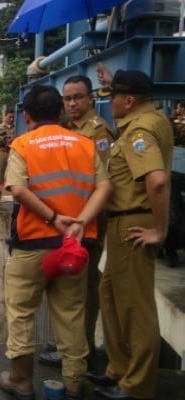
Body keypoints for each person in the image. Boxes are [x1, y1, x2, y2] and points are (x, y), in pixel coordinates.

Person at [0, 84, 111, 400]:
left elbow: (18, 190)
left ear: (26, 115)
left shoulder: (22, 144)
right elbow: (104, 187)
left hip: (32, 246)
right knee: (72, 315)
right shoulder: (85, 144)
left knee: (21, 313)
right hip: (73, 247)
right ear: (60, 112)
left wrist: (52, 218)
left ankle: (20, 381)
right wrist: (80, 222)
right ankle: (75, 384)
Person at [90, 70, 173, 400]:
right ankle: (120, 372)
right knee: (110, 294)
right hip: (122, 222)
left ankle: (137, 386)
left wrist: (159, 231)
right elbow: (113, 154)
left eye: (112, 97)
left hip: (133, 224)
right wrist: (113, 80)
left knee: (134, 308)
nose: (109, 103)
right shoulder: (150, 120)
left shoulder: (140, 130)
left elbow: (157, 181)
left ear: (129, 100)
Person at [38, 75, 115, 371]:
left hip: (88, 219)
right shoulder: (67, 130)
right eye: (67, 99)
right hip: (68, 219)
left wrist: (84, 220)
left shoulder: (97, 133)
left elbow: (103, 182)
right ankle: (72, 345)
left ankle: (79, 349)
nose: (71, 103)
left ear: (91, 98)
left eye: (77, 97)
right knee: (68, 282)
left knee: (84, 284)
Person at [0, 110, 15, 206]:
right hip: (3, 152)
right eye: (10, 117)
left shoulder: (17, 127)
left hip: (13, 152)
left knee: (15, 175)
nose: (11, 119)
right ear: (5, 116)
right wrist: (0, 141)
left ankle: (16, 196)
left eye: (13, 117)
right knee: (0, 175)